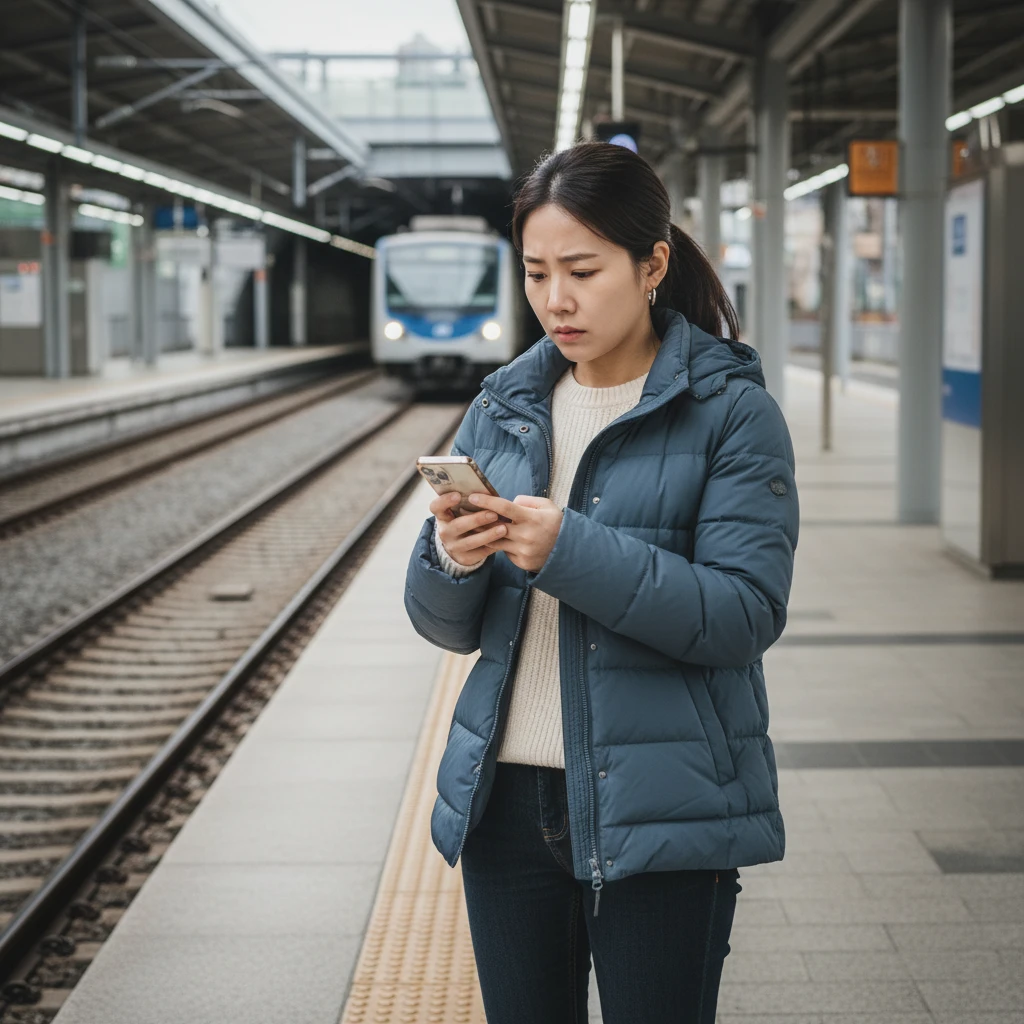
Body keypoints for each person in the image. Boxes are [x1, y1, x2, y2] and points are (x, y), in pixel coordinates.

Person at [404, 140, 799, 1024]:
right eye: (537, 272)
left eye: (582, 270)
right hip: (503, 804)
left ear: (652, 262)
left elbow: (743, 614)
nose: (556, 299)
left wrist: (569, 551)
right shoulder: (503, 404)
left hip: (664, 808)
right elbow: (441, 624)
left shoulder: (732, 413)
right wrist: (454, 560)